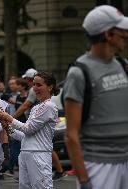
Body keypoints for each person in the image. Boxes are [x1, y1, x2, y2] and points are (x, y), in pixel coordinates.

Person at [63, 5, 128, 189]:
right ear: (108, 35)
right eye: (120, 30)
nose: (125, 34)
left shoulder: (123, 65)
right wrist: (84, 180)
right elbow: (71, 135)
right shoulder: (79, 73)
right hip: (99, 166)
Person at [0, 71, 59, 189]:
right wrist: (7, 126)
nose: (35, 88)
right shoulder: (36, 107)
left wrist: (9, 118)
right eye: (34, 84)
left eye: (39, 85)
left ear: (50, 87)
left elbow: (28, 129)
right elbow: (25, 136)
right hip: (25, 153)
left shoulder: (49, 106)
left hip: (39, 154)